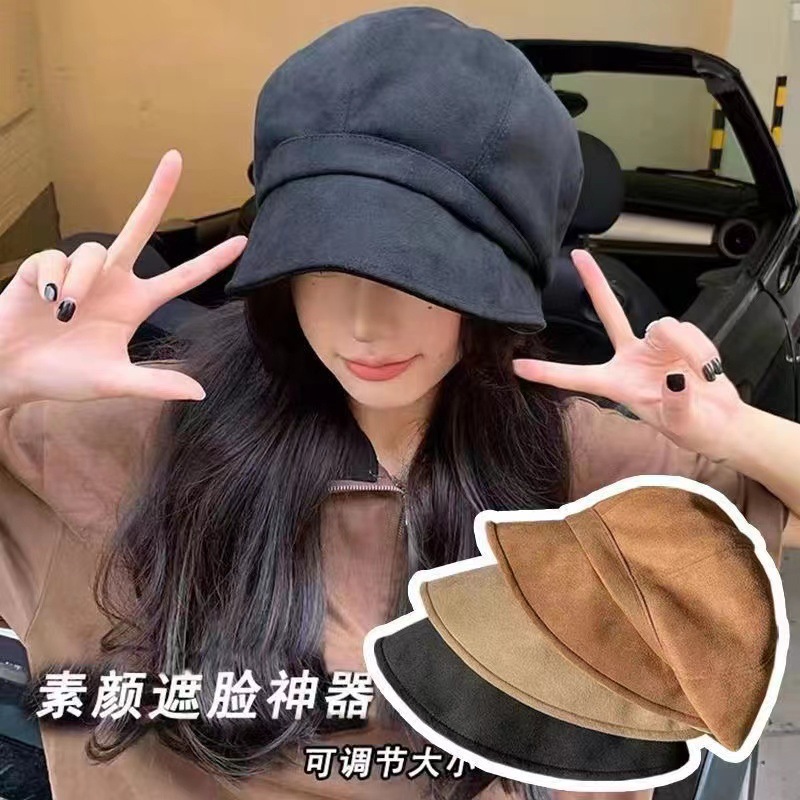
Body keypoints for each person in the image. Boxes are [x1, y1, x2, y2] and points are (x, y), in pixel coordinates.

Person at [2, 8, 800, 800]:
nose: (365, 325)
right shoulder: (140, 438)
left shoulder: (565, 455)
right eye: (324, 264)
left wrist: (729, 427)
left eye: (421, 276)